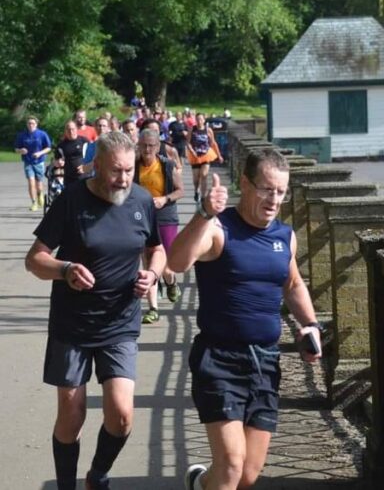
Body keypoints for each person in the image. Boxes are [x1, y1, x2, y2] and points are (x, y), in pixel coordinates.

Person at [168, 149, 322, 490]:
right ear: (245, 184)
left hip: (265, 362)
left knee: (248, 474)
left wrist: (311, 325)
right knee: (232, 465)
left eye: (281, 191)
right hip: (219, 360)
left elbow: (292, 283)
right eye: (266, 189)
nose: (274, 199)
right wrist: (204, 213)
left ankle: (199, 482)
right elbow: (176, 262)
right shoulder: (219, 229)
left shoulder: (285, 237)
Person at [25, 131, 166, 490]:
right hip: (72, 326)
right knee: (71, 417)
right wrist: (65, 269)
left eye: (129, 170)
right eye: (116, 171)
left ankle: (98, 474)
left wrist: (152, 274)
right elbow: (35, 259)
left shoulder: (141, 200)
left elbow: (156, 249)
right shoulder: (71, 200)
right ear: (97, 166)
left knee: (121, 416)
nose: (124, 179)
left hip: (120, 323)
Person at [136, 128, 184, 324]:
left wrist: (165, 199)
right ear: (138, 146)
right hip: (141, 217)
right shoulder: (133, 166)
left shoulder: (166, 165)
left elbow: (180, 191)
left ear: (158, 147)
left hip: (165, 216)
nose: (147, 149)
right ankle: (153, 308)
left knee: (166, 265)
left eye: (151, 145)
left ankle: (171, 283)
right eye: (143, 145)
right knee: (148, 262)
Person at [14, 116, 52, 211]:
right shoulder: (22, 135)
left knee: (39, 183)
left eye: (33, 123)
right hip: (28, 162)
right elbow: (16, 149)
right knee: (31, 183)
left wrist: (40, 153)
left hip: (39, 162)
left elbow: (48, 148)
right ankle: (34, 202)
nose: (31, 125)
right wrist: (20, 150)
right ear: (27, 124)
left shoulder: (42, 134)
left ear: (36, 124)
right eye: (29, 123)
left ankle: (40, 195)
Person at [186, 112, 223, 203]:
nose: (199, 121)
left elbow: (213, 143)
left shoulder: (208, 130)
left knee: (204, 175)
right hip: (195, 155)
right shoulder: (192, 129)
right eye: (197, 119)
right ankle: (196, 191)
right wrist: (192, 151)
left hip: (206, 154)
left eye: (201, 119)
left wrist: (219, 155)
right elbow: (187, 143)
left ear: (204, 120)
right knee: (196, 178)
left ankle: (203, 196)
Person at [55, 121, 88, 187]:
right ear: (65, 131)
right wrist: (59, 162)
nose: (71, 131)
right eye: (68, 129)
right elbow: (56, 161)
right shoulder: (61, 145)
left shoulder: (84, 141)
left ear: (76, 129)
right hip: (69, 177)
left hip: (84, 175)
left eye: (72, 129)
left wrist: (85, 166)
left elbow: (92, 156)